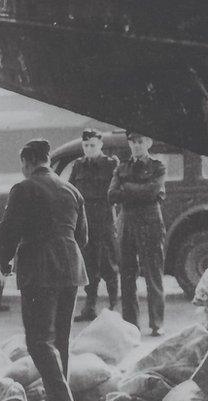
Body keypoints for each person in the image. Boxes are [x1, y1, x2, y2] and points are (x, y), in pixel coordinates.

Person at [0, 139, 88, 401]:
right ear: (47, 160)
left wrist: (4, 264)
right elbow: (83, 237)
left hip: (40, 269)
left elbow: (7, 230)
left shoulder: (23, 188)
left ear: (26, 161)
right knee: (60, 340)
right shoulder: (72, 190)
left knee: (38, 342)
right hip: (71, 268)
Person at [109, 132, 166, 336]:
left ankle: (157, 323)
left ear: (148, 142)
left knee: (153, 273)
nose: (136, 146)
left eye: (140, 141)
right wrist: (139, 191)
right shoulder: (121, 168)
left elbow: (152, 191)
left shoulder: (158, 166)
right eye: (132, 142)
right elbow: (111, 194)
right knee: (127, 274)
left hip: (150, 222)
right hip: (127, 223)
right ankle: (131, 325)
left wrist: (127, 189)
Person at [69, 128, 120, 322]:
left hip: (104, 220)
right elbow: (71, 189)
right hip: (85, 222)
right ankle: (89, 308)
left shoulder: (111, 164)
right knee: (89, 265)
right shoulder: (78, 165)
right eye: (85, 145)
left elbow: (115, 191)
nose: (88, 149)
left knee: (109, 264)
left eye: (92, 145)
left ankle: (114, 306)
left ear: (100, 145)